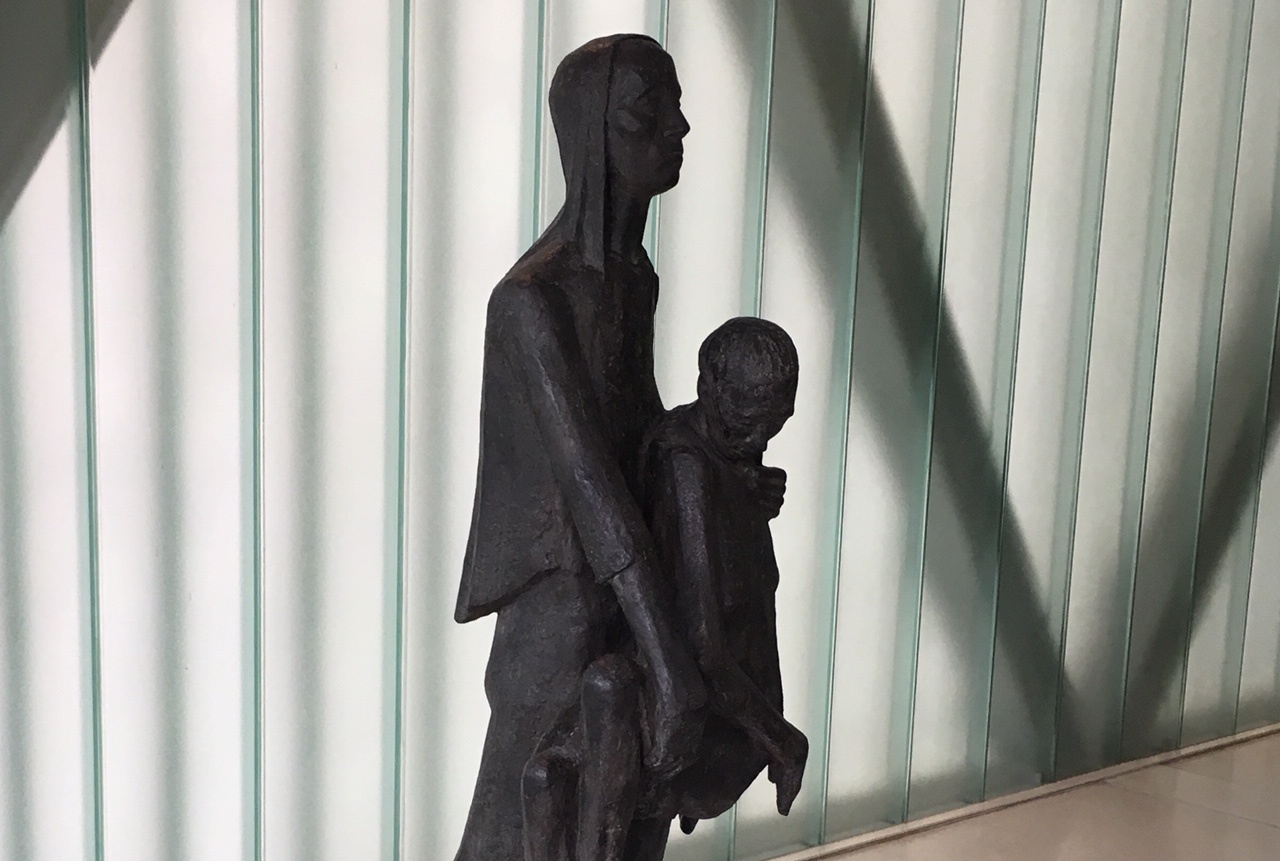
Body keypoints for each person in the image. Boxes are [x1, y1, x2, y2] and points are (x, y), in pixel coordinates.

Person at [452, 35, 706, 861]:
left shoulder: (633, 277)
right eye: (647, 114)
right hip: (560, 599)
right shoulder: (533, 300)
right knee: (516, 819)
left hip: (626, 582)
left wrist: (719, 468)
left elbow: (641, 427)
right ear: (594, 137)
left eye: (674, 107)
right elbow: (588, 483)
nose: (678, 128)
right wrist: (664, 647)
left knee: (626, 804)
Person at [521, 317, 809, 860]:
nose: (759, 442)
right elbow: (705, 648)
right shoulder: (686, 466)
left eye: (774, 424)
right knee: (552, 774)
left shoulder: (717, 456)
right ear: (707, 388)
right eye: (746, 425)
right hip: (705, 704)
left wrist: (746, 491)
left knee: (576, 775)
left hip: (715, 709)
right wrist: (783, 739)